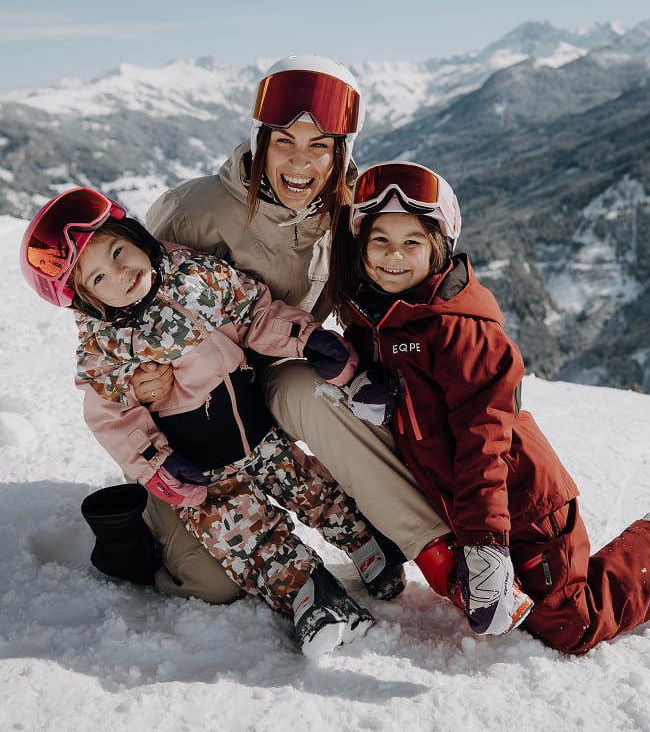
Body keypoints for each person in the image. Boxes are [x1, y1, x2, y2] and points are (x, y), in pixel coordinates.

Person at [81, 56, 451, 605]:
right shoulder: (195, 210)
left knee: (318, 391)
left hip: (270, 380)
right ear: (261, 142)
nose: (300, 161)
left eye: (319, 145)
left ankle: (431, 547)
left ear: (339, 153)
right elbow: (107, 307)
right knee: (213, 584)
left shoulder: (347, 216)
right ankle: (154, 527)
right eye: (285, 141)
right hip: (189, 418)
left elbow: (390, 285)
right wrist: (141, 388)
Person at [329, 160, 650, 651]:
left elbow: (484, 444)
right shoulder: (376, 317)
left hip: (521, 500)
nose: (393, 256)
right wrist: (377, 384)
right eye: (380, 241)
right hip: (461, 502)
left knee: (569, 625)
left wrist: (486, 545)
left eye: (411, 242)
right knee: (506, 606)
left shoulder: (465, 333)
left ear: (438, 248)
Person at [19, 185, 384, 657]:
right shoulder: (106, 348)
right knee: (245, 534)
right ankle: (309, 593)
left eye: (117, 251)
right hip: (203, 469)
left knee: (315, 489)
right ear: (87, 300)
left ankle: (369, 550)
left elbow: (254, 313)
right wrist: (159, 465)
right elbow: (113, 418)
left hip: (261, 435)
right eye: (100, 277)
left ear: (134, 235)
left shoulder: (196, 276)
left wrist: (306, 339)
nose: (121, 272)